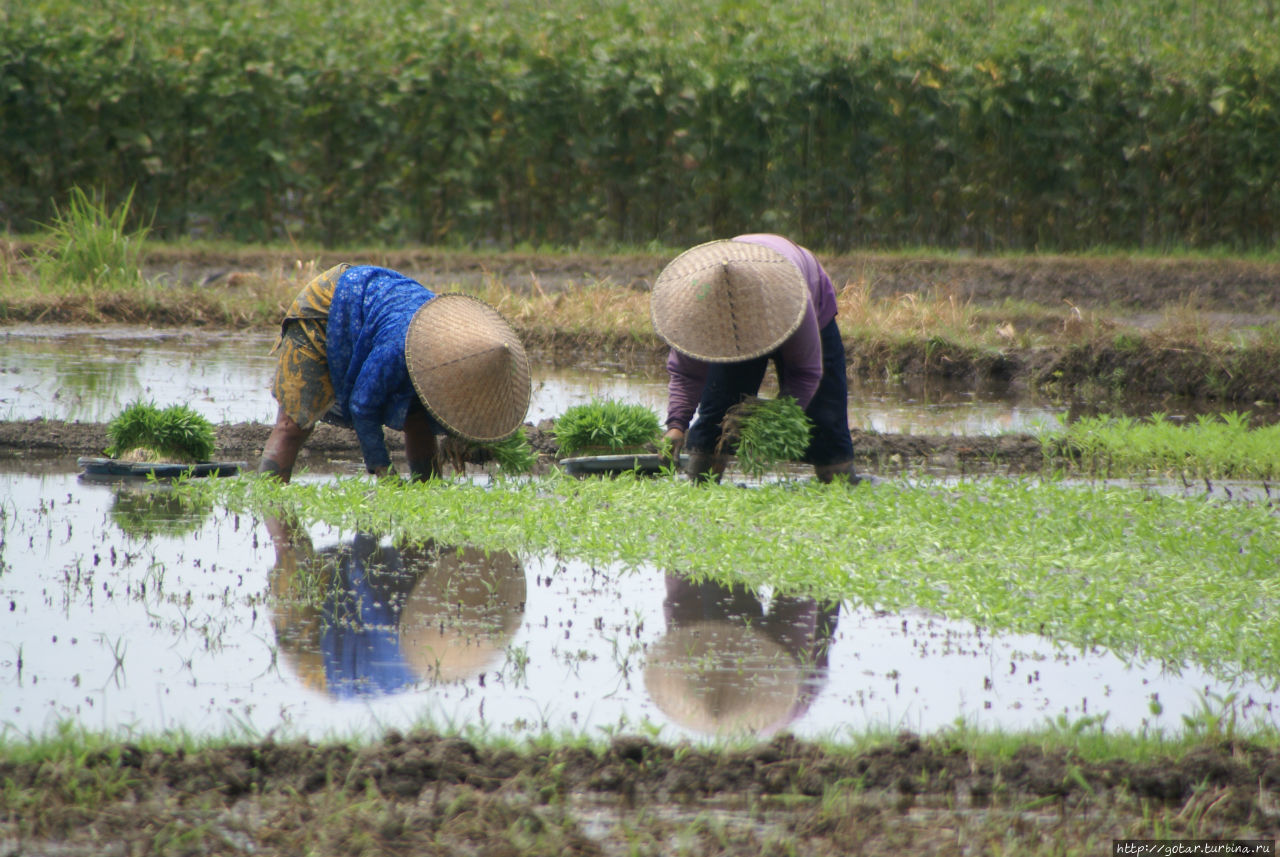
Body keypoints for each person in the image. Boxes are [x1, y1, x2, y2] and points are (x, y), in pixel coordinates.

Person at [258, 264, 531, 482]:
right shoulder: (397, 349)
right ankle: (270, 501)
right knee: (294, 425)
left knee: (417, 412)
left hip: (382, 304)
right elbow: (363, 405)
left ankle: (427, 492)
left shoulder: (455, 351)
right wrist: (384, 472)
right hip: (329, 306)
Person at [650, 234, 859, 483]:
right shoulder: (698, 313)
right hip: (747, 288)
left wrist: (778, 421)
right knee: (719, 409)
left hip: (800, 296)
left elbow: (805, 372)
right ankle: (701, 484)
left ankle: (839, 485)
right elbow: (687, 373)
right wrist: (676, 426)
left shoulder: (792, 299)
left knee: (825, 416)